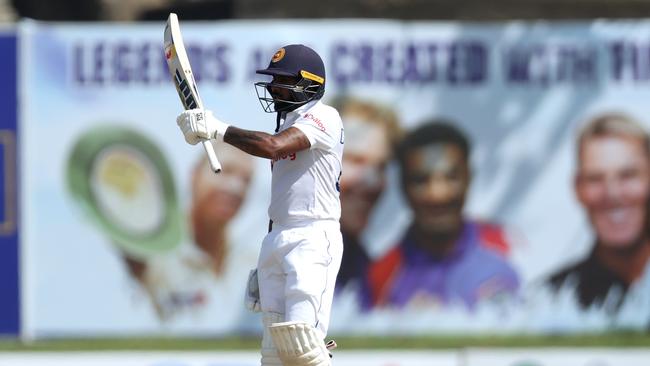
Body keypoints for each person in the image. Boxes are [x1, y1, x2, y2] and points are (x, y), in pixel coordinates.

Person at [176, 44, 343, 366]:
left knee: (302, 347)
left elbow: (272, 147)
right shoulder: (288, 122)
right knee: (273, 354)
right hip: (279, 237)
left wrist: (217, 129)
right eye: (273, 80)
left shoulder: (324, 117)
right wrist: (270, 255)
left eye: (282, 81)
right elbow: (285, 196)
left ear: (309, 83)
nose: (273, 88)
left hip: (312, 238)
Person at [365, 121, 520, 311]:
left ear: (469, 178)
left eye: (451, 177)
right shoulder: (382, 274)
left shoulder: (510, 251)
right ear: (403, 187)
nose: (437, 194)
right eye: (421, 181)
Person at [548, 113, 650, 314]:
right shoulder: (553, 300)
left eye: (628, 175)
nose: (612, 194)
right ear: (578, 188)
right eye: (595, 179)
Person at [330, 96, 401, 294]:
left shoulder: (365, 271)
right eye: (355, 160)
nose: (372, 182)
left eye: (381, 167)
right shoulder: (266, 258)